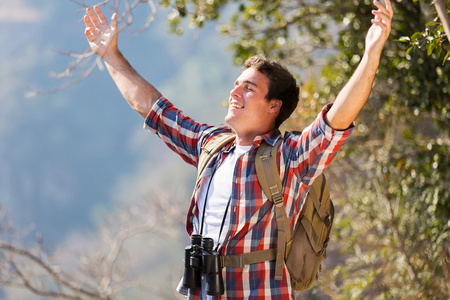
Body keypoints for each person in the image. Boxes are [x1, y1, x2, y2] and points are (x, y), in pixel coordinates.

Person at [84, 1, 393, 299]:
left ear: (274, 105)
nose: (234, 92)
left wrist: (371, 56)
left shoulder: (290, 156)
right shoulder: (212, 146)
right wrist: (110, 55)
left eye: (249, 88)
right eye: (236, 84)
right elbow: (153, 108)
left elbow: (336, 121)